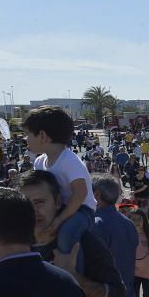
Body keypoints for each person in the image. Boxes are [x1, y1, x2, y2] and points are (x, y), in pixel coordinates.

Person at [24, 105, 97, 256]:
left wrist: (58, 221)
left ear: (42, 136)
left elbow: (80, 193)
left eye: (28, 134)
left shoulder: (68, 160)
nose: (26, 139)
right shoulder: (39, 162)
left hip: (82, 210)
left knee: (66, 234)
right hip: (59, 208)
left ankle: (72, 271)